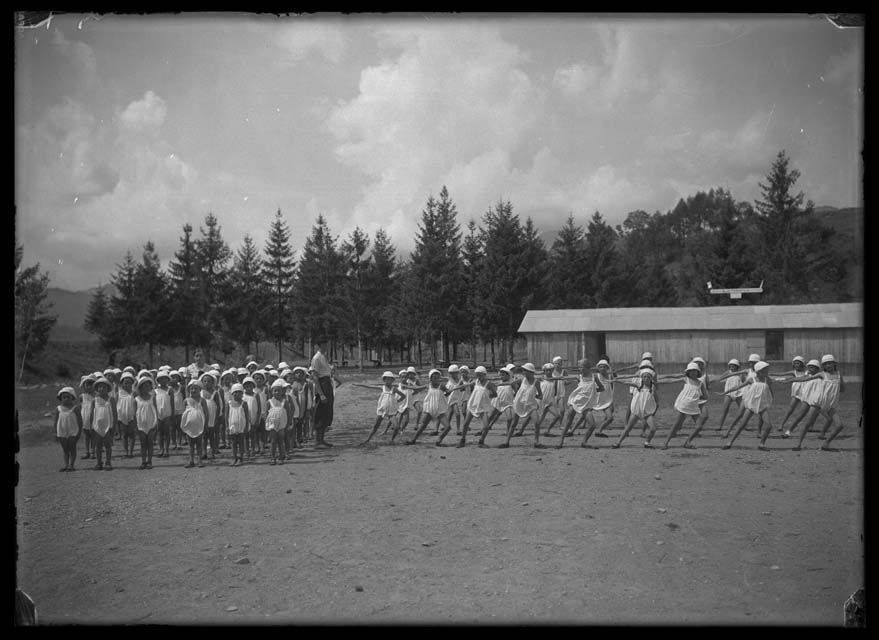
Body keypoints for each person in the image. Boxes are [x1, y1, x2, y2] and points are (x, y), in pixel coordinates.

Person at [721, 361, 803, 450]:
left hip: (762, 405)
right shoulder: (752, 379)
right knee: (742, 425)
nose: (767, 372)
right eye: (765, 370)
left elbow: (770, 390)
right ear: (759, 371)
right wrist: (725, 392)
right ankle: (729, 442)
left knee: (768, 426)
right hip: (752, 405)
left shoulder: (767, 380)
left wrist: (771, 399)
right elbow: (738, 387)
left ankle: (761, 444)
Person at [793, 355, 847, 451]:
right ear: (823, 366)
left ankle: (826, 444)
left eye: (829, 363)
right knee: (807, 424)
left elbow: (842, 389)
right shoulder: (822, 374)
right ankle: (798, 444)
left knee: (839, 426)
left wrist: (834, 388)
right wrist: (790, 380)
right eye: (825, 364)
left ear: (834, 364)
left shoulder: (838, 375)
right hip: (817, 403)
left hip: (830, 405)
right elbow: (804, 379)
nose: (828, 365)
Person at [655, 362, 707, 449]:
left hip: (694, 406)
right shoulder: (686, 379)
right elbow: (671, 380)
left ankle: (687, 442)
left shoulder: (700, 383)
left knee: (699, 426)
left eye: (695, 371)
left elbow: (705, 396)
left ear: (698, 372)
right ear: (688, 372)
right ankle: (665, 443)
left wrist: (696, 396)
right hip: (684, 405)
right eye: (691, 371)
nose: (693, 372)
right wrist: (658, 382)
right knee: (677, 425)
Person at [556, 359, 602, 448]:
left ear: (587, 367)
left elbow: (601, 388)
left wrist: (593, 392)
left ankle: (584, 442)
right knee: (568, 422)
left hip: (586, 405)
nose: (579, 369)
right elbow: (564, 378)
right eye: (579, 367)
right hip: (575, 402)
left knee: (592, 425)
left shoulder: (594, 377)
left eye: (581, 367)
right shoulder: (579, 377)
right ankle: (560, 441)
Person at [612, 364, 660, 448]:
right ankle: (618, 442)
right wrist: (616, 380)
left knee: (653, 428)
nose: (646, 379)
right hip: (637, 411)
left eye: (648, 377)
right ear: (642, 377)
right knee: (628, 428)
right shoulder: (639, 385)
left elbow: (656, 399)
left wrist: (655, 407)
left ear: (651, 378)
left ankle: (647, 443)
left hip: (647, 412)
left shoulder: (653, 387)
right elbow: (626, 382)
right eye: (644, 377)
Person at [500, 363, 545, 448]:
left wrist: (533, 396)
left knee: (537, 422)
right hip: (519, 403)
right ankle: (507, 442)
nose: (524, 372)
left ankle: (536, 441)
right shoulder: (522, 380)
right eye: (523, 370)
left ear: (531, 372)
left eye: (525, 371)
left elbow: (540, 395)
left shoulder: (536, 382)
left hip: (530, 405)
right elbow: (511, 383)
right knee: (514, 423)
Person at [356, 372, 407, 445]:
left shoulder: (394, 389)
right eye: (387, 379)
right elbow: (369, 386)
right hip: (382, 410)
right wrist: (359, 384)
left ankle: (392, 440)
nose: (389, 381)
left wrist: (396, 401)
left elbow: (403, 396)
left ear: (392, 380)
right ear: (384, 380)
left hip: (391, 411)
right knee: (376, 426)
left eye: (390, 380)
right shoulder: (382, 387)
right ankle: (368, 439)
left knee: (396, 426)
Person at [405, 370, 452, 445]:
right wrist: (406, 386)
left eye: (438, 377)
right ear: (431, 379)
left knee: (448, 427)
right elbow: (417, 388)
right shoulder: (428, 386)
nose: (436, 379)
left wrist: (448, 392)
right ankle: (413, 439)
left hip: (439, 410)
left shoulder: (442, 386)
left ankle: (439, 440)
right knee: (423, 425)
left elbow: (447, 392)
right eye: (434, 378)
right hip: (430, 409)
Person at [457, 366, 497, 447]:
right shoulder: (476, 382)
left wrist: (489, 394)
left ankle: (481, 441)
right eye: (477, 374)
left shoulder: (488, 384)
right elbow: (464, 386)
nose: (478, 376)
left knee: (486, 426)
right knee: (465, 424)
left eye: (480, 374)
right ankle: (462, 440)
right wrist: (453, 389)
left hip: (483, 407)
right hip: (474, 405)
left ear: (484, 374)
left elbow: (495, 394)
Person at [782, 360, 823, 438]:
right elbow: (800, 379)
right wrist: (788, 380)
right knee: (799, 415)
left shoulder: (821, 376)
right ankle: (788, 431)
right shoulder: (808, 375)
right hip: (807, 399)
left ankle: (822, 433)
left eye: (813, 367)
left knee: (815, 417)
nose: (810, 369)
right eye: (809, 367)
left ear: (817, 369)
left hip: (816, 400)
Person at [310, 339, 336, 448]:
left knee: (327, 412)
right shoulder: (316, 358)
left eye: (326, 344)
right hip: (322, 384)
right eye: (323, 344)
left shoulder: (324, 356)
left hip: (327, 382)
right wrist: (321, 394)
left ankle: (322, 439)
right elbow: (315, 377)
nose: (325, 346)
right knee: (321, 412)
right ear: (319, 345)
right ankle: (317, 441)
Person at [90, 377, 117, 470]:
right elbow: (92, 414)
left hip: (108, 425)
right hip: (97, 426)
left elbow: (114, 413)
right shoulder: (94, 400)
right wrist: (91, 426)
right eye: (99, 387)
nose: (102, 389)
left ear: (108, 388)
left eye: (104, 387)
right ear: (97, 389)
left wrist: (114, 426)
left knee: (108, 445)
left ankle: (108, 462)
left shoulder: (111, 400)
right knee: (98, 445)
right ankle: (99, 462)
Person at [54, 386, 82, 472]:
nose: (66, 399)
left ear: (72, 397)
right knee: (65, 449)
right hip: (62, 431)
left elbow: (80, 421)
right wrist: (55, 432)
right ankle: (66, 465)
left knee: (72, 447)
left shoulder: (75, 408)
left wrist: (79, 432)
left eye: (68, 397)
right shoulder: (58, 409)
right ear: (60, 398)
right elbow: (56, 421)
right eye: (64, 397)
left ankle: (71, 465)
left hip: (73, 431)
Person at [181, 380, 208, 468]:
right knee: (191, 444)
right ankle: (191, 460)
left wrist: (206, 424)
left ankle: (200, 460)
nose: (193, 390)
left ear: (200, 390)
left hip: (199, 425)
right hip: (190, 426)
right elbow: (183, 414)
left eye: (195, 388)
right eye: (191, 388)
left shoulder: (202, 400)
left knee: (199, 443)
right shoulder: (186, 401)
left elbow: (206, 413)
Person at [777, 356, 808, 432]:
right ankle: (781, 424)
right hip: (796, 392)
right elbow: (782, 374)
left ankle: (810, 425)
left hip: (805, 393)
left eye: (798, 363)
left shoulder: (807, 372)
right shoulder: (794, 372)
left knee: (806, 410)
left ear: (802, 364)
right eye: (795, 363)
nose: (797, 365)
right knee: (790, 409)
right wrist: (771, 373)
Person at [265, 378, 292, 464]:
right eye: (275, 391)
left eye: (279, 391)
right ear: (271, 392)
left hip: (281, 426)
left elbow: (288, 413)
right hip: (272, 425)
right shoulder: (269, 402)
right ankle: (273, 457)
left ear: (282, 392)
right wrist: (267, 425)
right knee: (273, 442)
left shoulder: (285, 402)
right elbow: (266, 414)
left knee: (281, 441)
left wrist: (288, 424)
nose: (277, 392)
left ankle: (281, 457)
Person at [717, 359, 745, 432]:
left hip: (739, 393)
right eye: (731, 365)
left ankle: (744, 425)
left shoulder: (741, 374)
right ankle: (720, 426)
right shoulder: (727, 373)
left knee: (742, 410)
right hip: (728, 393)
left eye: (734, 366)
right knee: (725, 410)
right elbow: (720, 378)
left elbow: (744, 383)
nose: (732, 367)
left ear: (737, 366)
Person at [226, 383, 250, 466]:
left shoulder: (244, 404)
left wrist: (246, 426)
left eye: (239, 392)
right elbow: (226, 416)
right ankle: (234, 457)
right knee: (233, 443)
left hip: (241, 426)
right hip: (232, 426)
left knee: (241, 442)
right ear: (232, 393)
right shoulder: (229, 404)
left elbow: (247, 416)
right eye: (235, 392)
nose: (237, 394)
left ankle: (241, 458)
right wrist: (227, 426)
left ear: (242, 394)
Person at [590, 359, 616, 438]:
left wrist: (614, 372)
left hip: (606, 400)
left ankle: (599, 431)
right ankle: (571, 430)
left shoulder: (610, 375)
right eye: (600, 367)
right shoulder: (595, 376)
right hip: (595, 399)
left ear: (607, 367)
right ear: (598, 368)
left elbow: (614, 381)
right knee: (582, 416)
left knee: (610, 418)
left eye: (604, 367)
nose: (602, 368)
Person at [200, 372, 222, 461]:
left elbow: (218, 406)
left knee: (211, 435)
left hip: (212, 417)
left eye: (209, 381)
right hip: (202, 416)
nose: (206, 383)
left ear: (213, 383)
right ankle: (204, 452)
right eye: (204, 381)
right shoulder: (200, 392)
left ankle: (212, 452)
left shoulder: (215, 393)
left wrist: (217, 417)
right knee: (203, 435)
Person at [115, 372, 137, 459]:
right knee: (124, 435)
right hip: (121, 416)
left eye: (129, 382)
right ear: (122, 383)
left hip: (132, 416)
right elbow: (117, 404)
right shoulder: (119, 393)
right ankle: (125, 451)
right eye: (125, 382)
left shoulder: (134, 393)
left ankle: (131, 452)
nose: (127, 384)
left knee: (132, 434)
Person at [154, 371, 174, 458]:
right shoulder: (155, 391)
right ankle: (160, 448)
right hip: (158, 413)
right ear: (158, 380)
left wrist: (172, 413)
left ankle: (166, 449)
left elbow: (172, 402)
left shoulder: (170, 390)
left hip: (167, 413)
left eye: (165, 378)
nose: (163, 380)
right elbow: (154, 403)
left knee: (167, 432)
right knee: (159, 432)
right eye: (161, 378)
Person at [79, 375, 96, 460]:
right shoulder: (82, 396)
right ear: (84, 386)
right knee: (86, 436)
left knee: (93, 435)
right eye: (87, 385)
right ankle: (87, 451)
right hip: (85, 418)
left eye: (91, 384)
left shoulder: (96, 396)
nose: (89, 386)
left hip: (94, 418)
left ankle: (93, 451)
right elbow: (80, 406)